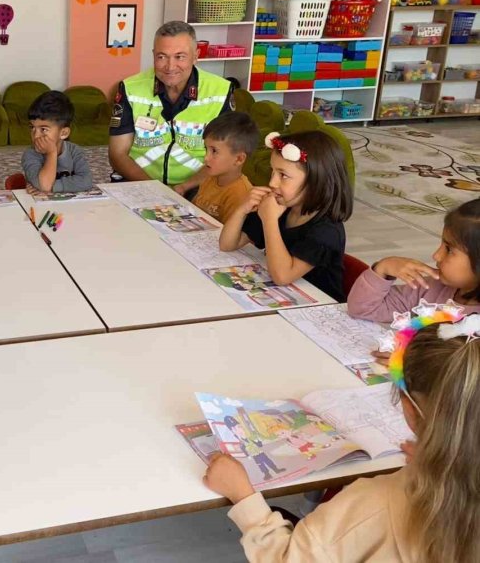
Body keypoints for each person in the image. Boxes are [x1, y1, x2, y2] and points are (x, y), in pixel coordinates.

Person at [203, 310, 480, 563]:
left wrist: (242, 496)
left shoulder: (374, 505)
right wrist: (439, 460)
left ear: (408, 405)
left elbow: (286, 559)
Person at [219, 131, 353, 302]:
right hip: (285, 300)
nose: (272, 183)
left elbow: (282, 276)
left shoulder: (326, 231)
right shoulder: (282, 206)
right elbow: (227, 244)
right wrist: (242, 209)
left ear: (315, 181)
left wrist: (269, 220)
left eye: (283, 175)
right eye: (273, 172)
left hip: (319, 308)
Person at [108, 21, 234, 195]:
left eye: (180, 56)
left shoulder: (220, 90)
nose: (170, 66)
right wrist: (156, 191)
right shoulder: (130, 88)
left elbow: (225, 157)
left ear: (196, 56)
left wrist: (182, 188)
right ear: (153, 55)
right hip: (138, 183)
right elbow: (117, 154)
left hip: (197, 186)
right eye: (162, 56)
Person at [348, 198, 480, 363]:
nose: (436, 256)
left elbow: (467, 374)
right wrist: (384, 268)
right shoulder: (430, 288)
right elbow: (363, 310)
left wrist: (415, 362)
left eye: (449, 249)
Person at [192, 111, 260, 223]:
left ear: (239, 159)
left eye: (214, 151)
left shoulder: (240, 194)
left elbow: (227, 236)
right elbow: (193, 210)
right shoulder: (209, 177)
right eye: (206, 149)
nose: (206, 158)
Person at [21, 91, 93, 194]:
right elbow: (45, 185)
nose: (35, 135)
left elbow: (86, 181)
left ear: (64, 133)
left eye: (43, 129)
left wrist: (52, 187)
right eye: (32, 127)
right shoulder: (30, 154)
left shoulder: (74, 151)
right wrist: (51, 153)